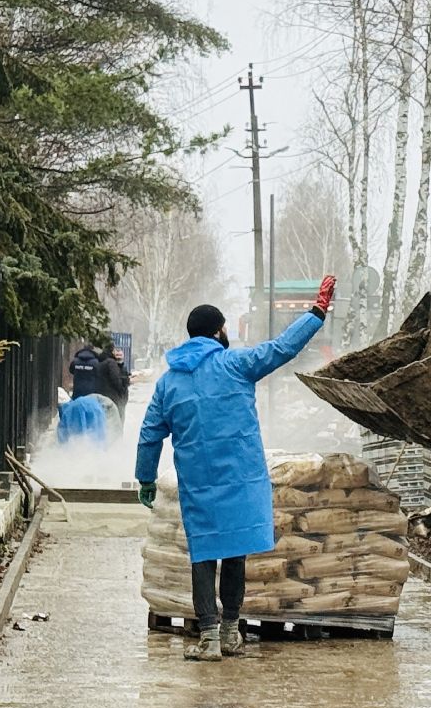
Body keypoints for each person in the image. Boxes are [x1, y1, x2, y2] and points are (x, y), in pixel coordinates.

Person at [135, 275, 335, 661]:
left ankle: (208, 638)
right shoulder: (237, 364)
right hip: (242, 483)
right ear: (219, 331)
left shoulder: (168, 383)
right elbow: (283, 348)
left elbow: (149, 434)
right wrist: (317, 312)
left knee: (203, 556)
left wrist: (145, 477)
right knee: (235, 555)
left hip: (199, 485)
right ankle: (229, 632)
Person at [97, 342, 131, 424]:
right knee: (117, 421)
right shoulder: (111, 364)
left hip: (108, 397)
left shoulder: (101, 362)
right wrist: (124, 387)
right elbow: (117, 381)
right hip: (115, 398)